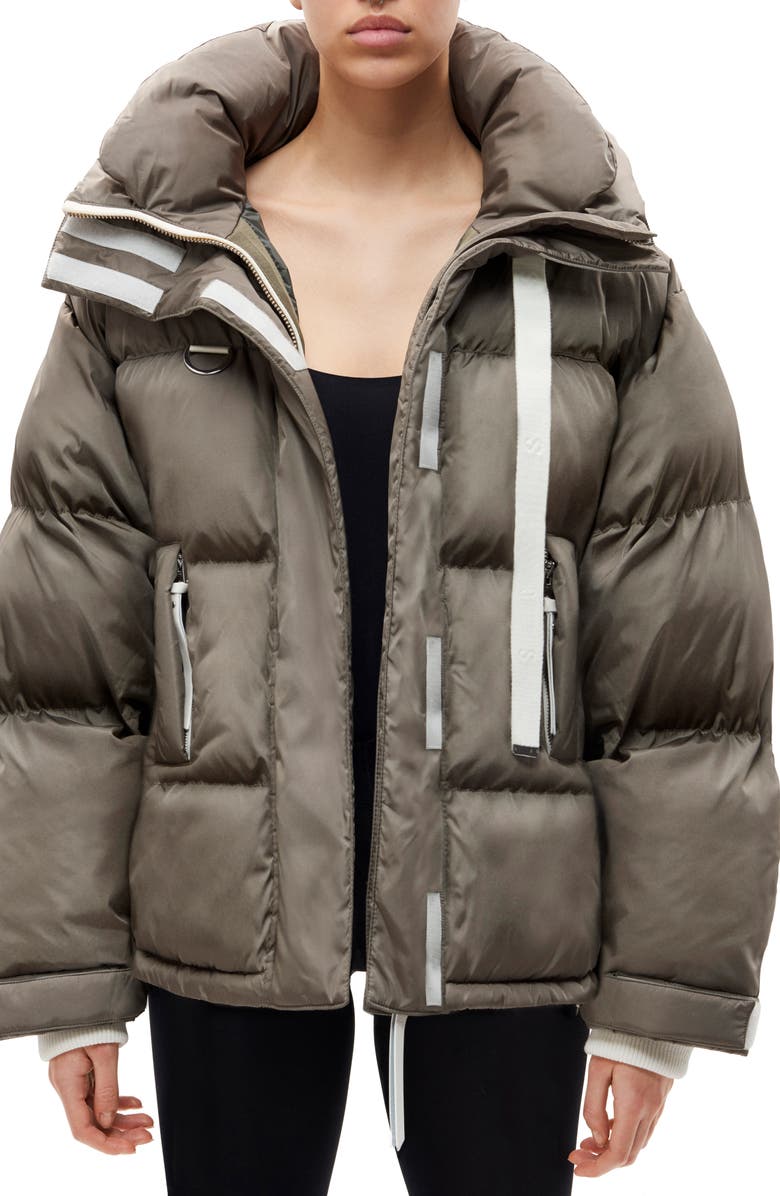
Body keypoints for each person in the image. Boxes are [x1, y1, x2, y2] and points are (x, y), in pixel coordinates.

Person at [1, 2, 778, 1193]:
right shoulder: (155, 263)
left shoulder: (589, 263)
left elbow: (685, 667)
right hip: (222, 907)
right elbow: (64, 662)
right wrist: (70, 987)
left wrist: (653, 1004)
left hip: (508, 918)